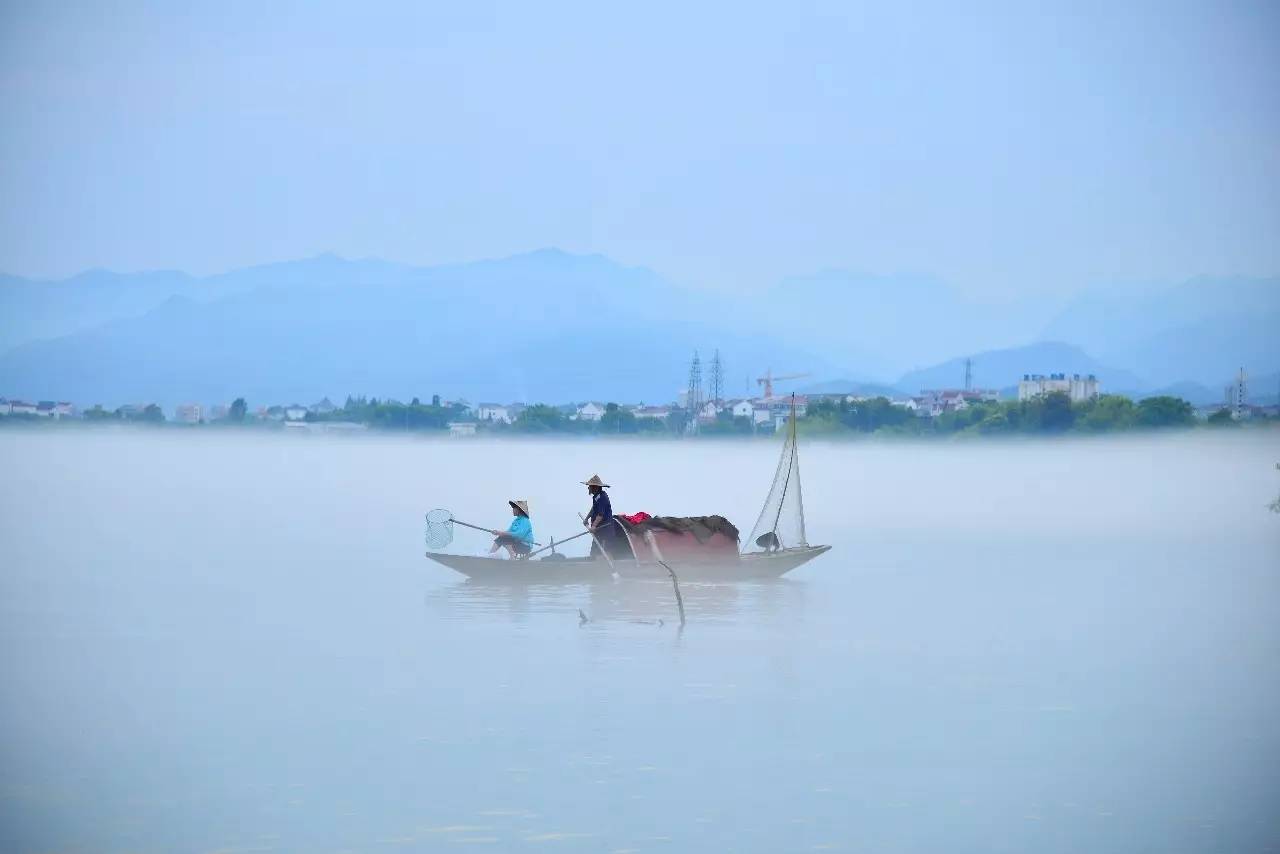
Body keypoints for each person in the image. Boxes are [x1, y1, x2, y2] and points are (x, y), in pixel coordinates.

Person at [582, 474, 620, 558]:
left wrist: (594, 526)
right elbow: (594, 508)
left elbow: (600, 515)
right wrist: (587, 518)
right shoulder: (596, 497)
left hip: (605, 530)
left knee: (606, 552)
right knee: (594, 553)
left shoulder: (602, 497)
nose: (588, 488)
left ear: (595, 487)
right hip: (598, 531)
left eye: (590, 486)